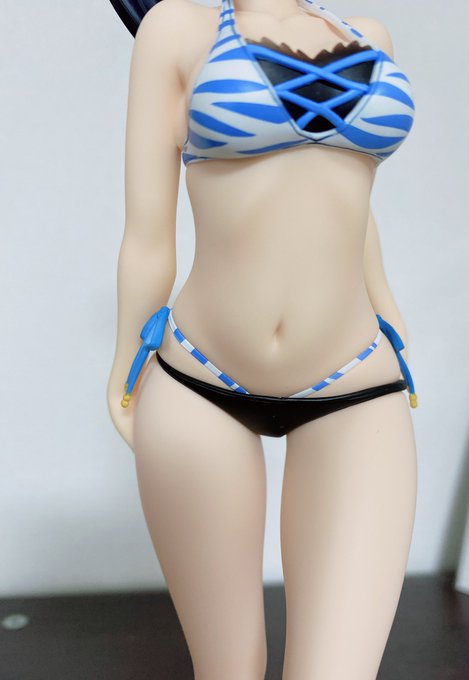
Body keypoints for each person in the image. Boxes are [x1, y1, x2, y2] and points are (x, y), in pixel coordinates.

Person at [106, 0, 419, 677]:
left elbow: (348, 196)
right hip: (200, 379)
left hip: (358, 379)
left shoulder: (369, 36)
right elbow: (147, 237)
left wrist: (390, 312)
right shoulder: (176, 29)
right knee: (228, 670)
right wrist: (126, 360)